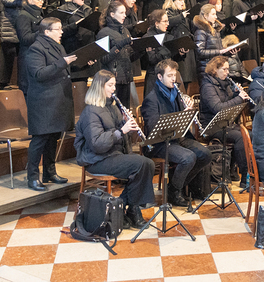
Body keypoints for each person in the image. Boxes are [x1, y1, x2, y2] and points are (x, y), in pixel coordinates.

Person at [74, 69, 155, 228]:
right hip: (96, 160)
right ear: (100, 87)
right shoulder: (91, 111)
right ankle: (127, 208)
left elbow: (120, 136)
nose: (114, 89)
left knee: (147, 164)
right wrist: (121, 131)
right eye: (110, 85)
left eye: (114, 85)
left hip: (113, 155)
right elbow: (97, 144)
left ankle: (128, 208)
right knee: (142, 164)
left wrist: (125, 123)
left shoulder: (112, 107)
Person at [140, 59, 212, 206]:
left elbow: (181, 121)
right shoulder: (151, 99)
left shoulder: (176, 92)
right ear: (160, 77)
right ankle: (175, 191)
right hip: (159, 142)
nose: (174, 79)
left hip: (177, 137)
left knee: (205, 154)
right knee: (188, 157)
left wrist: (187, 113)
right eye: (170, 75)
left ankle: (175, 186)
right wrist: (179, 117)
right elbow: (153, 128)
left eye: (175, 75)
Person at [25, 18, 78, 191]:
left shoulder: (58, 46)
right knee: (40, 139)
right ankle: (33, 177)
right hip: (43, 102)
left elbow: (62, 69)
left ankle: (49, 172)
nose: (62, 32)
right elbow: (39, 74)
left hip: (57, 100)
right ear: (47, 32)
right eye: (58, 29)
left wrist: (80, 63)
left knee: (53, 138)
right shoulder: (36, 49)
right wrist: (63, 62)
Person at [199, 56, 251, 189]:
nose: (228, 72)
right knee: (240, 137)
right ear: (215, 70)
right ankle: (244, 176)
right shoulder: (207, 86)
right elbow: (218, 108)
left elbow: (227, 102)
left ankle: (235, 170)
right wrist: (239, 98)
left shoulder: (224, 83)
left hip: (224, 124)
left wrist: (236, 94)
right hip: (211, 126)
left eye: (228, 69)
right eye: (224, 69)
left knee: (249, 134)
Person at [14, 0, 45, 93]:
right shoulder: (23, 16)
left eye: (42, 0)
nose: (41, 2)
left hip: (38, 54)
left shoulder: (39, 14)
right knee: (27, 89)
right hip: (28, 56)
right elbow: (25, 38)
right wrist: (43, 32)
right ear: (29, 0)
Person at [193, 3, 224, 74]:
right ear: (205, 16)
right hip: (206, 68)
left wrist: (227, 51)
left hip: (216, 66)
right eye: (213, 14)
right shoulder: (200, 32)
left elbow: (218, 48)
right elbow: (200, 52)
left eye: (216, 14)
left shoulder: (215, 30)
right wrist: (219, 52)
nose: (216, 17)